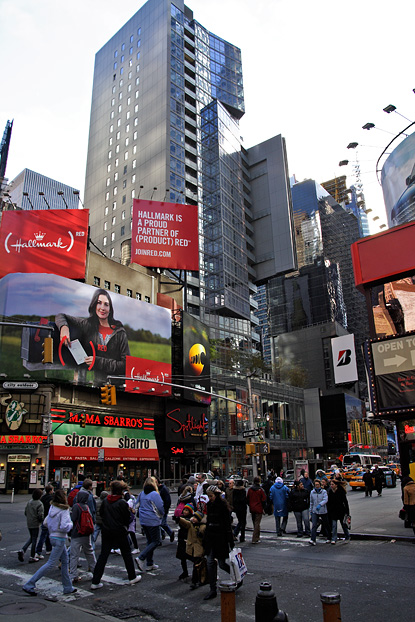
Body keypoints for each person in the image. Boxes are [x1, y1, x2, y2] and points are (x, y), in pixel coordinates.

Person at [55, 288, 130, 384]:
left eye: (106, 304)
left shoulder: (119, 332)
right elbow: (60, 316)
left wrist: (97, 362)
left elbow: (126, 365)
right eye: (99, 303)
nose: (102, 308)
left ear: (110, 309)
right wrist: (64, 328)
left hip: (116, 386)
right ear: (94, 305)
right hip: (95, 384)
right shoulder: (87, 324)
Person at [22, 489, 76, 596]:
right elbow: (64, 526)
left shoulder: (52, 508)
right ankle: (30, 584)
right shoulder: (64, 510)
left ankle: (68, 586)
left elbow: (46, 522)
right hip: (60, 538)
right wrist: (71, 524)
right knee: (51, 563)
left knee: (65, 561)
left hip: (53, 536)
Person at [91, 480, 141, 589]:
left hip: (107, 530)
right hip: (119, 530)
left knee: (103, 555)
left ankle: (95, 580)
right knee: (126, 554)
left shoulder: (105, 501)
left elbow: (101, 513)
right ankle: (132, 576)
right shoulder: (122, 503)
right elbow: (127, 517)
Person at [203, 485, 235, 601]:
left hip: (220, 538)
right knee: (210, 562)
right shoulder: (209, 505)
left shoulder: (222, 506)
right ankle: (212, 589)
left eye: (211, 496)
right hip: (211, 537)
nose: (209, 498)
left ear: (216, 495)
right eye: (208, 496)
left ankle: (236, 576)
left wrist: (230, 540)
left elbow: (227, 524)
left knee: (221, 564)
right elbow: (208, 522)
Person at [135, 477, 164, 573]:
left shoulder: (141, 493)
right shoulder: (155, 494)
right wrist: (161, 515)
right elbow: (160, 507)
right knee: (156, 541)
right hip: (152, 520)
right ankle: (141, 557)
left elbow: (136, 505)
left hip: (143, 520)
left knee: (150, 541)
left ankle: (150, 563)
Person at [69, 491, 96, 581]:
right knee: (89, 552)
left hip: (77, 533)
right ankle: (95, 570)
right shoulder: (86, 507)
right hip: (86, 533)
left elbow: (73, 519)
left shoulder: (76, 506)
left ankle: (73, 574)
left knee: (74, 555)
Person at [179, 509, 207, 589]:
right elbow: (185, 522)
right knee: (193, 562)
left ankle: (195, 581)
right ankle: (193, 578)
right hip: (191, 548)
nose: (193, 519)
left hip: (198, 549)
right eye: (193, 517)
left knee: (196, 565)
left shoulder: (202, 527)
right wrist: (178, 519)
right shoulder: (191, 524)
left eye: (195, 518)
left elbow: (204, 535)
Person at [18, 489, 44, 563]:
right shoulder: (39, 504)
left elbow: (25, 512)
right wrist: (41, 520)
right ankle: (32, 556)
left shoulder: (29, 502)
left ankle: (23, 549)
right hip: (35, 523)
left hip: (29, 522)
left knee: (32, 537)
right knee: (34, 539)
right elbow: (40, 515)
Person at [173, 503, 195, 580]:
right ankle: (185, 571)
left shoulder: (191, 519)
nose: (185, 511)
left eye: (187, 510)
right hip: (181, 539)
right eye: (184, 510)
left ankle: (196, 572)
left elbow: (186, 523)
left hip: (187, 539)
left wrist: (179, 519)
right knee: (182, 558)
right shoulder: (182, 517)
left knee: (191, 557)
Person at [327, 480, 350, 544]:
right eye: (331, 484)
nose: (331, 486)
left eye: (332, 484)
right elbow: (329, 502)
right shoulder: (330, 492)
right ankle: (334, 538)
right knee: (334, 525)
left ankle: (347, 536)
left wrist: (347, 512)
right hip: (333, 511)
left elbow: (345, 502)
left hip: (341, 510)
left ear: (336, 485)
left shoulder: (341, 491)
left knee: (343, 525)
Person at [34, 484, 53, 559]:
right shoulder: (51, 498)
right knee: (44, 535)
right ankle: (38, 551)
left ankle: (49, 548)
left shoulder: (43, 498)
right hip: (48, 518)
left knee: (46, 533)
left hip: (44, 517)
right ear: (50, 491)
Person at [309, 479, 330, 545]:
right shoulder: (312, 492)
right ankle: (313, 539)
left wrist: (320, 504)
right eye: (316, 485)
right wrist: (311, 510)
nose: (317, 486)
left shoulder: (324, 492)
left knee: (326, 524)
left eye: (318, 485)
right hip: (315, 510)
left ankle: (329, 537)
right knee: (314, 525)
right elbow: (311, 502)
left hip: (323, 510)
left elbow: (325, 499)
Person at [247, 476, 267, 544]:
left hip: (252, 508)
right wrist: (263, 508)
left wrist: (250, 505)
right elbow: (264, 500)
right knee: (257, 523)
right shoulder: (260, 490)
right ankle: (255, 538)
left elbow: (247, 499)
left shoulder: (250, 490)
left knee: (255, 522)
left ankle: (257, 537)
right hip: (258, 507)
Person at [155, 476, 174, 542]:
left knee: (162, 523)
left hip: (163, 508)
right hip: (157, 509)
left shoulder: (163, 489)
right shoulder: (156, 489)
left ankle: (170, 533)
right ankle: (162, 533)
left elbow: (167, 500)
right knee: (158, 523)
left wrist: (166, 509)